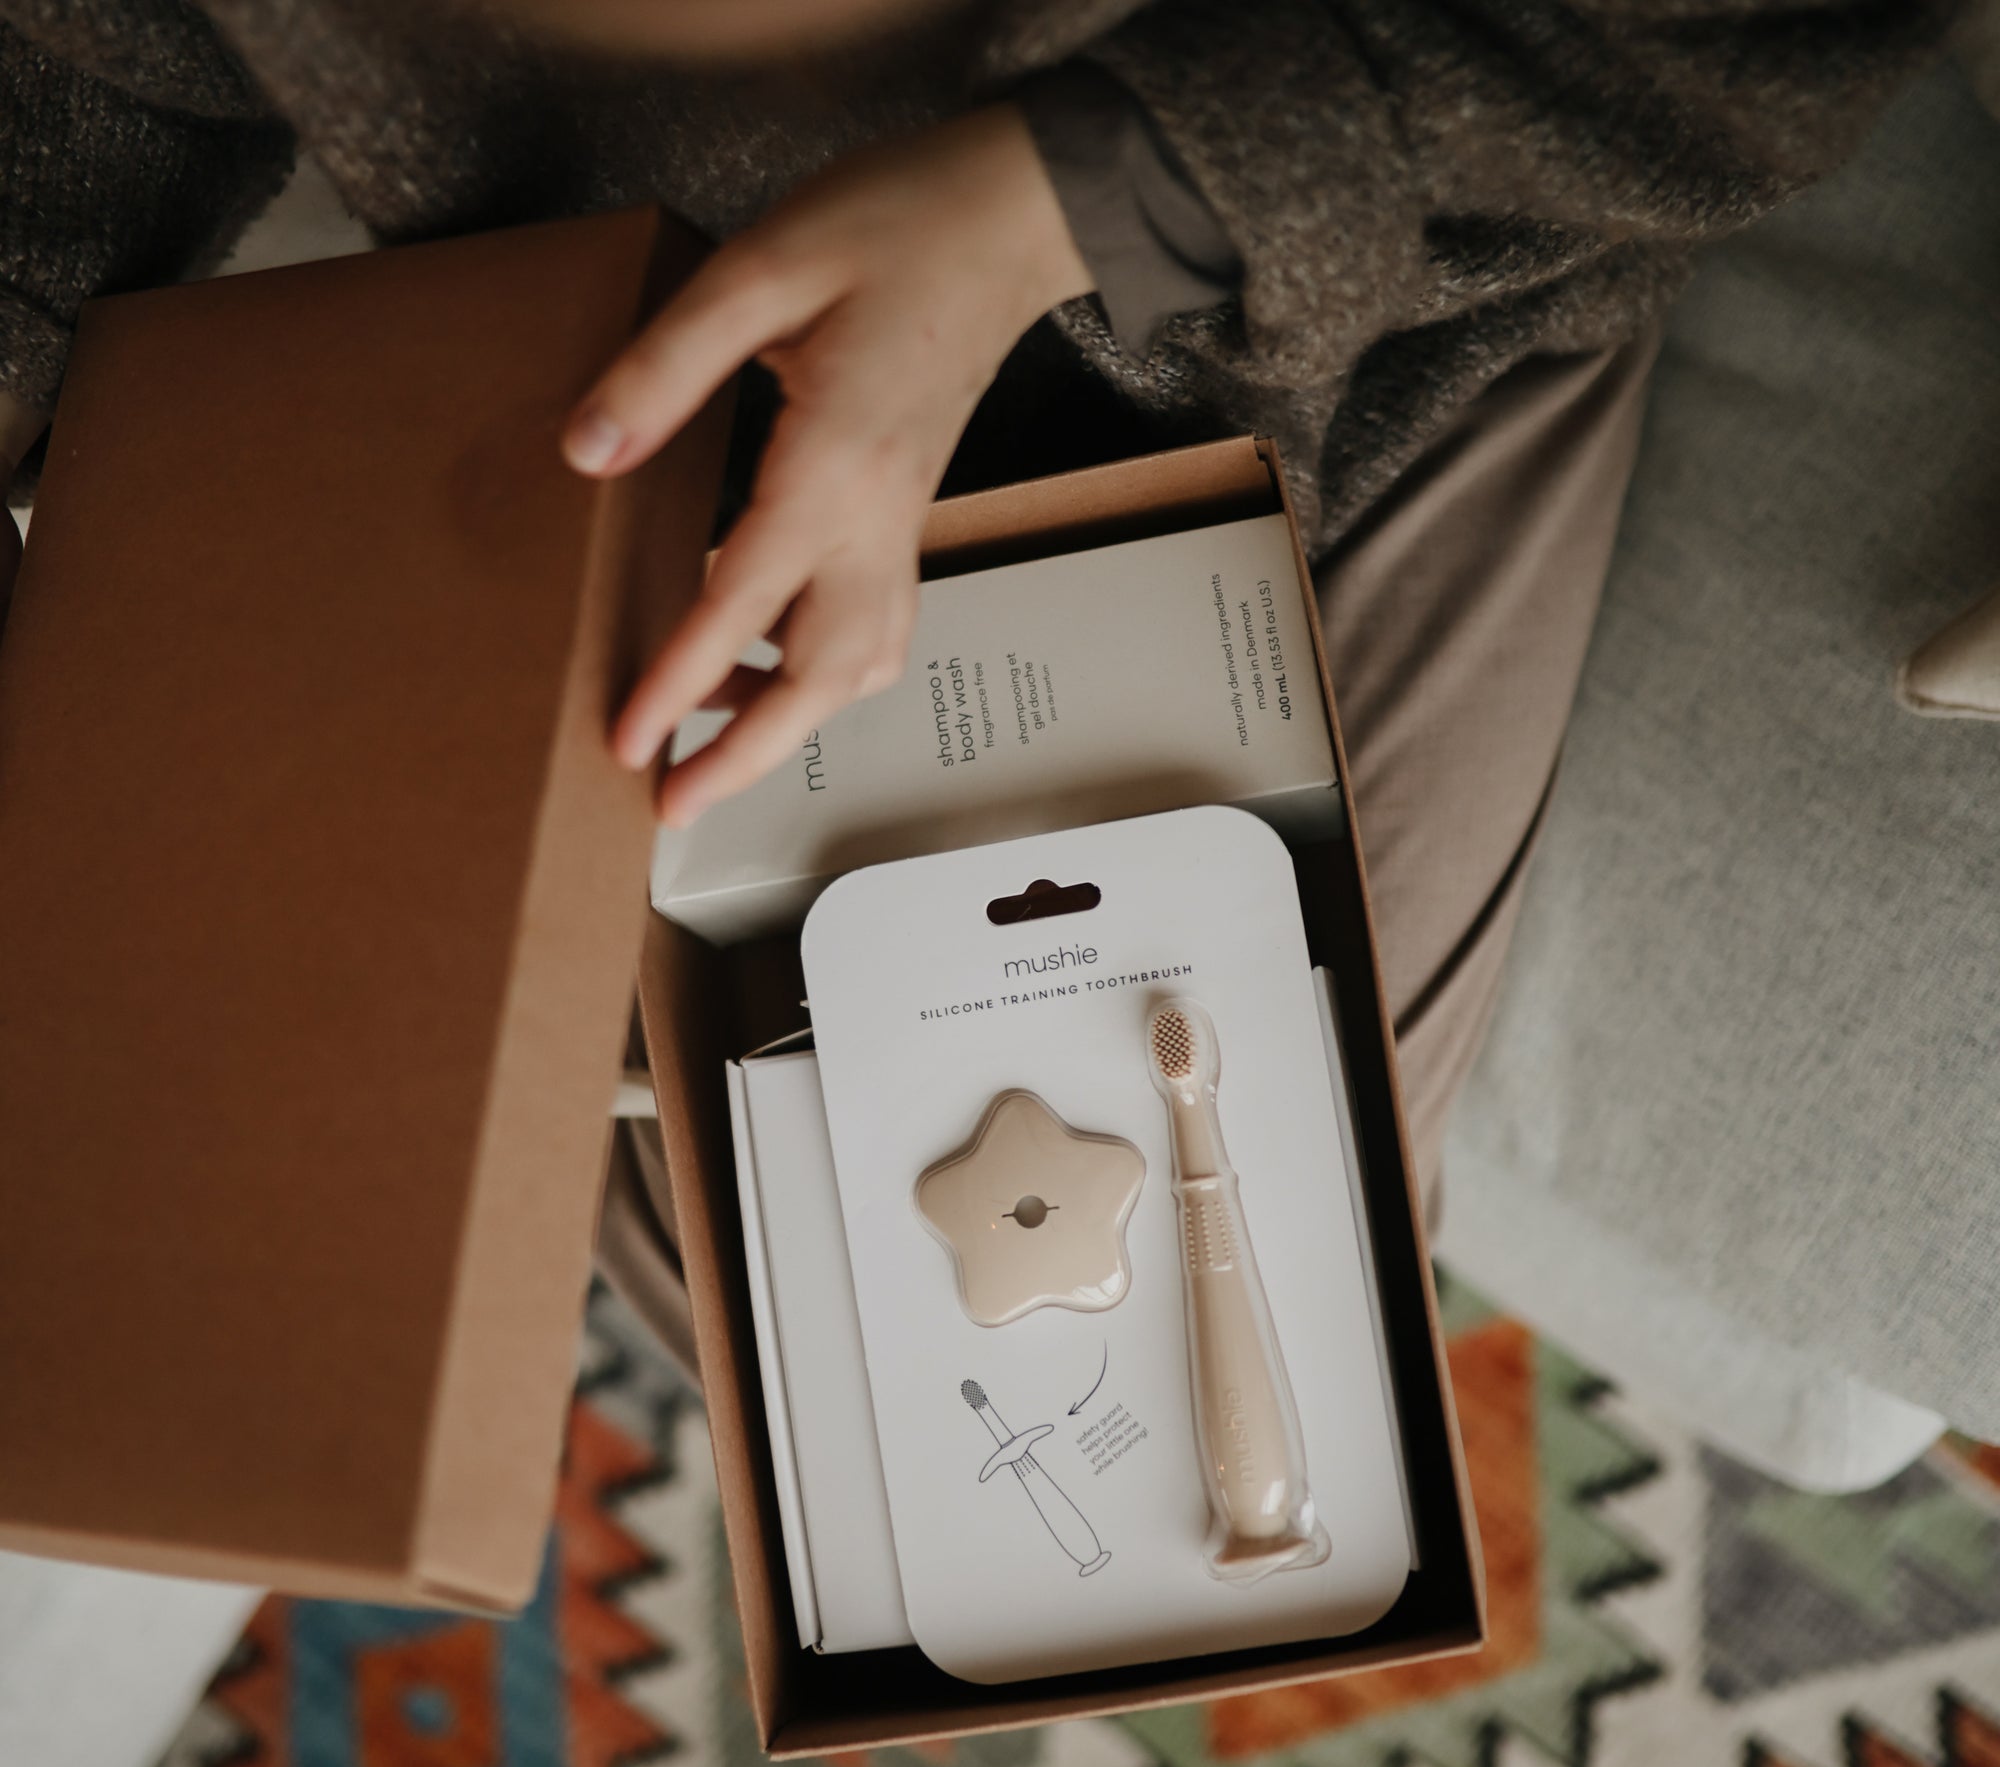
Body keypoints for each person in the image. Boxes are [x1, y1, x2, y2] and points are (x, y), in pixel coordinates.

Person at [0, 0, 1958, 1367]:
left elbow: (1737, 41)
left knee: (1260, 1284)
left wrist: (1065, 199)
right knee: (740, 1302)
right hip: (644, 426)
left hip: (1344, 344)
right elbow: (69, 90)